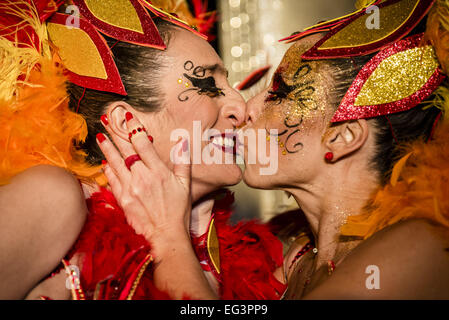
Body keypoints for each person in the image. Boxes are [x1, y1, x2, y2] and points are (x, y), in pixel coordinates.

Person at [100, 0, 449, 299]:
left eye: (279, 92)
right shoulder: (289, 258)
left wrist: (167, 238)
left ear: (343, 136)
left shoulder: (423, 245)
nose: (246, 106)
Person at [0, 0, 285, 299]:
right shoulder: (52, 197)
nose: (240, 107)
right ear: (126, 122)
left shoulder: (232, 258)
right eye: (208, 83)